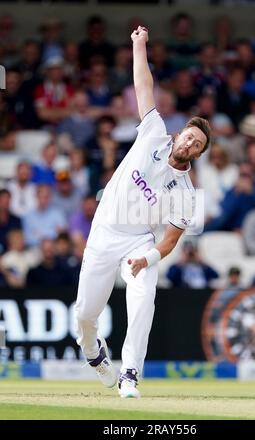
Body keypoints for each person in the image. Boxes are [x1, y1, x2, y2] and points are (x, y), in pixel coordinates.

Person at [74, 26, 211, 399]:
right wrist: (138, 45)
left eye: (197, 144)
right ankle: (92, 351)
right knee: (86, 314)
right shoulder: (153, 131)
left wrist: (146, 258)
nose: (189, 142)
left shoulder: (186, 193)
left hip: (140, 242)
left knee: (143, 300)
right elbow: (143, 86)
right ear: (180, 133)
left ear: (198, 154)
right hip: (105, 231)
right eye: (188, 135)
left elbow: (170, 241)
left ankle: (130, 374)